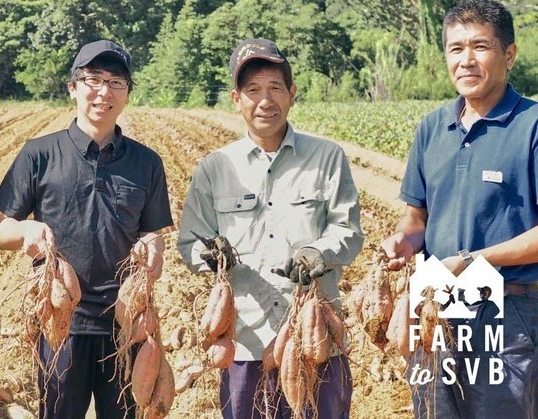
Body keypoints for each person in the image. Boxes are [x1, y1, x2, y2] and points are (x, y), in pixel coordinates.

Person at [178, 38, 364, 418]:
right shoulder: (215, 167)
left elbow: (348, 230)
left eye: (275, 88)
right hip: (246, 340)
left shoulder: (327, 157)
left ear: (292, 94)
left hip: (316, 338)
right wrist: (211, 256)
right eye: (253, 90)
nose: (265, 101)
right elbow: (190, 243)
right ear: (236, 98)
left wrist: (317, 252)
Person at [0, 40, 173, 419]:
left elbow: (153, 231)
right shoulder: (39, 154)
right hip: (60, 323)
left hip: (127, 324)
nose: (104, 91)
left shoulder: (146, 162)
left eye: (116, 82)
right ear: (73, 87)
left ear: (127, 94)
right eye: (93, 79)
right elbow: (2, 231)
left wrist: (154, 247)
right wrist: (26, 232)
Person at [380, 0, 538, 417]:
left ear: (509, 54)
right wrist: (404, 241)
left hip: (509, 315)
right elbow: (416, 219)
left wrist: (470, 261)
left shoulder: (532, 126)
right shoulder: (432, 127)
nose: (466, 60)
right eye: (455, 48)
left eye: (480, 46)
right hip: (437, 311)